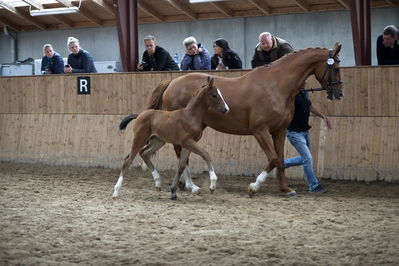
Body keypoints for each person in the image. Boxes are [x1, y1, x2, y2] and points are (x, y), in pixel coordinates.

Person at [284, 81, 331, 194]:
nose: (305, 83)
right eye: (302, 82)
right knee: (308, 159)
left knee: (306, 159)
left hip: (305, 131)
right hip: (294, 133)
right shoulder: (291, 95)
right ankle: (313, 186)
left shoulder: (304, 94)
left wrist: (323, 116)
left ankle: (282, 164)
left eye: (305, 82)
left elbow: (310, 107)